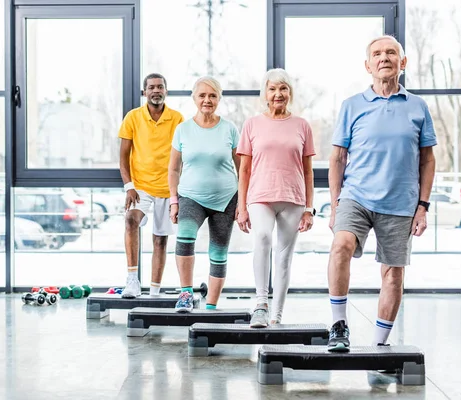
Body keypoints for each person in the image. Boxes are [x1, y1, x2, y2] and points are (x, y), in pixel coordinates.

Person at [326, 35, 437, 352]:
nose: (384, 57)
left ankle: (379, 345)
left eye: (391, 52)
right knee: (340, 246)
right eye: (377, 53)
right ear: (367, 65)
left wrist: (423, 206)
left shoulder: (418, 106)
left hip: (401, 202)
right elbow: (336, 158)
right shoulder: (352, 105)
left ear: (403, 63)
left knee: (393, 275)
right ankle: (338, 325)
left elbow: (427, 159)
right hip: (356, 196)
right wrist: (335, 205)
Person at [237, 68, 316, 327]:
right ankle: (261, 303)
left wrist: (309, 208)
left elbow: (307, 170)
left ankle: (277, 315)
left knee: (284, 256)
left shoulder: (302, 125)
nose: (278, 94)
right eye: (272, 89)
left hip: (293, 198)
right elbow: (245, 169)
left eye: (283, 89)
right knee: (262, 237)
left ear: (289, 93)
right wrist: (241, 207)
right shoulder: (252, 124)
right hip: (260, 195)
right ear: (265, 93)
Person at [168, 76, 240, 312]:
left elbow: (243, 168)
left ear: (219, 98)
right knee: (185, 237)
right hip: (191, 195)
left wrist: (244, 202)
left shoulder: (229, 128)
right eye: (202, 95)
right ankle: (186, 294)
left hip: (226, 197)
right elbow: (173, 168)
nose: (207, 100)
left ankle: (211, 306)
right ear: (194, 98)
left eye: (212, 95)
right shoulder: (183, 129)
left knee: (219, 250)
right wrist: (174, 201)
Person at [118, 73, 184, 298]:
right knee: (130, 220)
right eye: (152, 87)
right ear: (144, 92)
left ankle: (155, 291)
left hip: (167, 189)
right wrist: (129, 186)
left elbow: (183, 157)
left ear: (166, 90)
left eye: (160, 87)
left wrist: (177, 194)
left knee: (160, 239)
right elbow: (124, 156)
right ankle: (132, 281)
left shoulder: (177, 119)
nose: (156, 91)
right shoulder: (133, 117)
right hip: (141, 187)